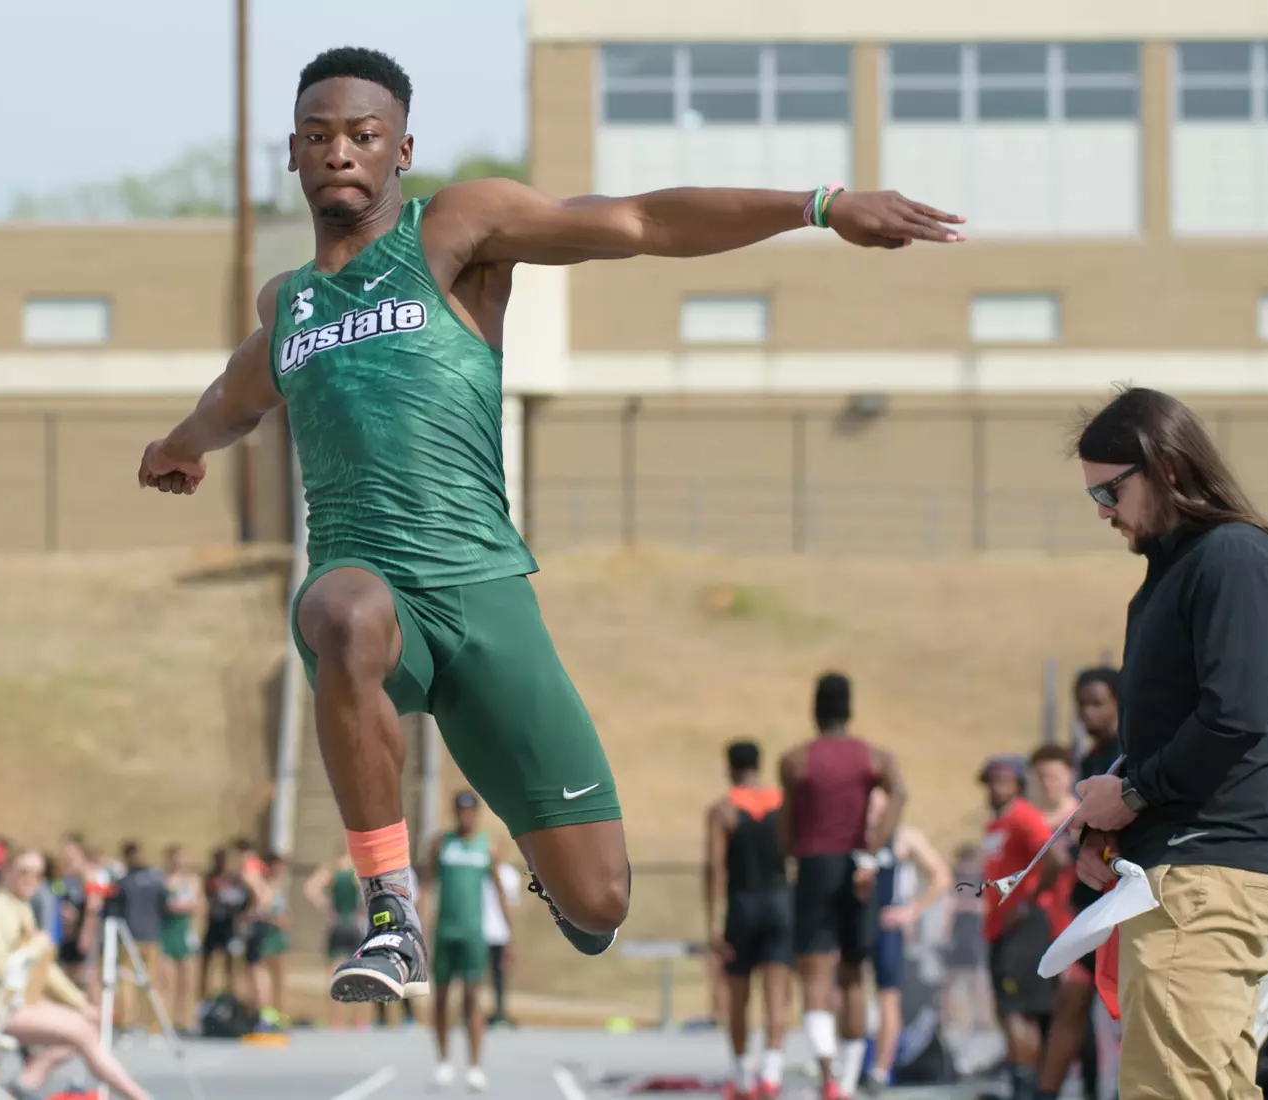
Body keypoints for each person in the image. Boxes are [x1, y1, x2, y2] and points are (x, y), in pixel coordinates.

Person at [137, 46, 963, 1007]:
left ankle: (552, 863)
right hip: (368, 585)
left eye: (363, 135)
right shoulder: (290, 306)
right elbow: (234, 398)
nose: (340, 153)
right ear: (292, 152)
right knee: (345, 615)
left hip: (484, 595)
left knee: (600, 901)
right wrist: (178, 447)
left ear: (402, 148)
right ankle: (391, 910)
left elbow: (641, 221)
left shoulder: (456, 229)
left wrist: (818, 206)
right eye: (318, 137)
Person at [1070, 387, 1268, 1100]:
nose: (1104, 511)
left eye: (1109, 490)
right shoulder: (1179, 570)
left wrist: (1132, 794)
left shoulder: (1230, 555)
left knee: (1175, 1089)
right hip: (1190, 871)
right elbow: (1186, 725)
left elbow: (1236, 716)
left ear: (1164, 468)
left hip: (1206, 875)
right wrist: (1113, 818)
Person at [778, 673, 906, 1100]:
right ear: (849, 709)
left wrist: (793, 851)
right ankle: (848, 1083)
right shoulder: (874, 756)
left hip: (815, 864)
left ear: (814, 710)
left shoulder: (796, 760)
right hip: (857, 865)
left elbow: (786, 825)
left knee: (815, 974)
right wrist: (873, 849)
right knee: (854, 975)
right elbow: (899, 793)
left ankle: (828, 1075)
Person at [0, 851, 154, 1100]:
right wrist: (33, 948)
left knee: (88, 1023)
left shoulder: (20, 906)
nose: (30, 879)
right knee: (81, 1030)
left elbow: (46, 970)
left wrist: (81, 1003)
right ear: (7, 872)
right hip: (3, 1008)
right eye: (23, 872)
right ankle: (139, 1097)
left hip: (24, 1002)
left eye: (38, 874)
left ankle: (28, 1080)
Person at [1035, 669, 1120, 1100]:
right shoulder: (1089, 760)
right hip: (1090, 903)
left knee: (1128, 1008)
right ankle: (1045, 1092)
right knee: (1071, 999)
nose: (1087, 712)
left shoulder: (1131, 754)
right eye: (1081, 704)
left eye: (1097, 703)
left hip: (1122, 902)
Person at [705, 741, 793, 1100]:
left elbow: (715, 867)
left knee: (738, 995)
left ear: (730, 768)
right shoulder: (784, 806)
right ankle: (770, 1074)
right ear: (759, 765)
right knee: (777, 994)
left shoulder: (723, 810)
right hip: (779, 902)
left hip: (742, 905)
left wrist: (714, 919)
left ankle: (743, 1078)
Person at [977, 755, 1064, 1100]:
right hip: (1001, 929)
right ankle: (1026, 1086)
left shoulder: (1023, 817)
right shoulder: (995, 824)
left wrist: (1028, 901)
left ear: (1018, 783)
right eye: (991, 780)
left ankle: (1025, 1090)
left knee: (1017, 1012)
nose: (996, 786)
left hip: (1024, 927)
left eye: (1004, 779)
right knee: (1010, 1011)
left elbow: (1056, 858)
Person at [421, 791, 512, 1092]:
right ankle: (443, 1062)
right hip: (445, 933)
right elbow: (427, 888)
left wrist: (510, 937)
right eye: (460, 810)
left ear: (477, 813)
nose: (465, 815)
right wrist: (420, 930)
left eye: (470, 810)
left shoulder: (488, 846)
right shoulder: (440, 844)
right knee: (441, 998)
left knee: (472, 998)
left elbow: (499, 891)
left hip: (473, 934)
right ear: (454, 812)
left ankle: (474, 1066)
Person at [864, 790, 952, 1096]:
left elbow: (941, 876)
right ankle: (850, 1063)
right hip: (855, 927)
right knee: (844, 994)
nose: (872, 813)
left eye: (878, 807)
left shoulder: (904, 838)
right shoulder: (850, 837)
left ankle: (880, 1070)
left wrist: (912, 910)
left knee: (888, 998)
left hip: (887, 928)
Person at [304, 847, 367, 1030]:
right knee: (358, 973)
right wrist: (362, 909)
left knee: (335, 973)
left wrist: (325, 907)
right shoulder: (357, 872)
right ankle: (359, 1020)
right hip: (354, 925)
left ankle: (336, 1020)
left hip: (337, 924)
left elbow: (310, 888)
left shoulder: (331, 871)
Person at [114, 841, 166, 1037]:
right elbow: (164, 904)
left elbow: (116, 908)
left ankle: (128, 1023)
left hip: (130, 936)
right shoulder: (155, 880)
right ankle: (154, 1024)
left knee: (127, 980)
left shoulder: (124, 882)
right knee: (152, 982)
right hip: (152, 935)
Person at [941, 844, 990, 1034]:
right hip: (957, 932)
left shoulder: (983, 880)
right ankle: (947, 1015)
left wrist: (966, 905)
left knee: (978, 977)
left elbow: (986, 907)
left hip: (976, 932)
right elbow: (948, 905)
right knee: (949, 976)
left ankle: (981, 1017)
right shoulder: (955, 880)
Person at [244, 854, 291, 1032]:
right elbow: (263, 910)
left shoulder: (281, 887)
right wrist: (273, 919)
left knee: (278, 976)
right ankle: (266, 1011)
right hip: (266, 934)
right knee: (263, 973)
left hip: (278, 935)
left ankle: (279, 1012)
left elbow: (284, 911)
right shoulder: (264, 886)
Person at [159, 844, 200, 1033]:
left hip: (184, 932)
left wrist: (179, 906)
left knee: (187, 981)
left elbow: (196, 905)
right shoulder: (163, 880)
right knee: (166, 979)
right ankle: (164, 1019)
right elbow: (164, 906)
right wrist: (180, 906)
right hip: (167, 933)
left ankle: (184, 1020)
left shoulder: (192, 880)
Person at [199, 847, 249, 1001]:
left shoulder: (235, 879)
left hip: (229, 924)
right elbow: (207, 897)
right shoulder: (210, 877)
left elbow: (244, 899)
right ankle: (203, 994)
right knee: (207, 959)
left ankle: (231, 993)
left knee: (230, 960)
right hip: (214, 923)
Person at [56, 834, 102, 993]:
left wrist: (86, 934)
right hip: (69, 934)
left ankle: (96, 1007)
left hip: (83, 933)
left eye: (70, 851)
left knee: (88, 976)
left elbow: (93, 906)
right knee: (69, 976)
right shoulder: (67, 874)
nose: (65, 855)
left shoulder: (87, 874)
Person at [480, 854, 520, 1028]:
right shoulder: (480, 871)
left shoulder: (510, 875)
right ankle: (474, 1011)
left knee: (500, 974)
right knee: (475, 975)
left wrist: (511, 934)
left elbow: (511, 905)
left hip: (499, 932)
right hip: (479, 930)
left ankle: (499, 1011)